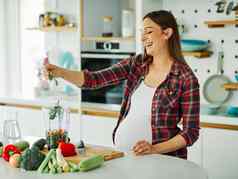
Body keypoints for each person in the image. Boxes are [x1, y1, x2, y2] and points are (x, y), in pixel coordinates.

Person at [44, 10, 200, 159]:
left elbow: (190, 132)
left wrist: (154, 149)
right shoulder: (137, 65)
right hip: (125, 156)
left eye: (149, 31)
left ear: (167, 33)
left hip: (162, 161)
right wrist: (59, 71)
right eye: (142, 32)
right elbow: (94, 80)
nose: (143, 37)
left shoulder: (186, 78)